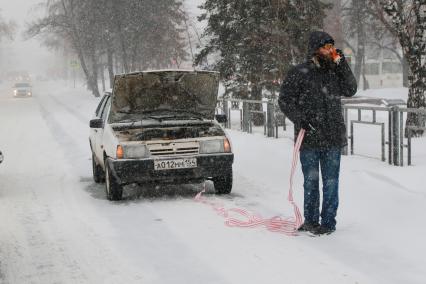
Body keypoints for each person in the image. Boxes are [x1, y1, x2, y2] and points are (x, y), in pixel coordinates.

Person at [279, 31, 357, 235]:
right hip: (309, 138)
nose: (330, 50)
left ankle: (328, 223)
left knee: (331, 183)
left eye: (332, 46)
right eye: (326, 47)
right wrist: (300, 118)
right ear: (315, 49)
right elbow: (285, 100)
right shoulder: (299, 72)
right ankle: (311, 220)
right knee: (311, 182)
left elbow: (351, 89)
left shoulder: (335, 71)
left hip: (332, 137)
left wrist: (342, 64)